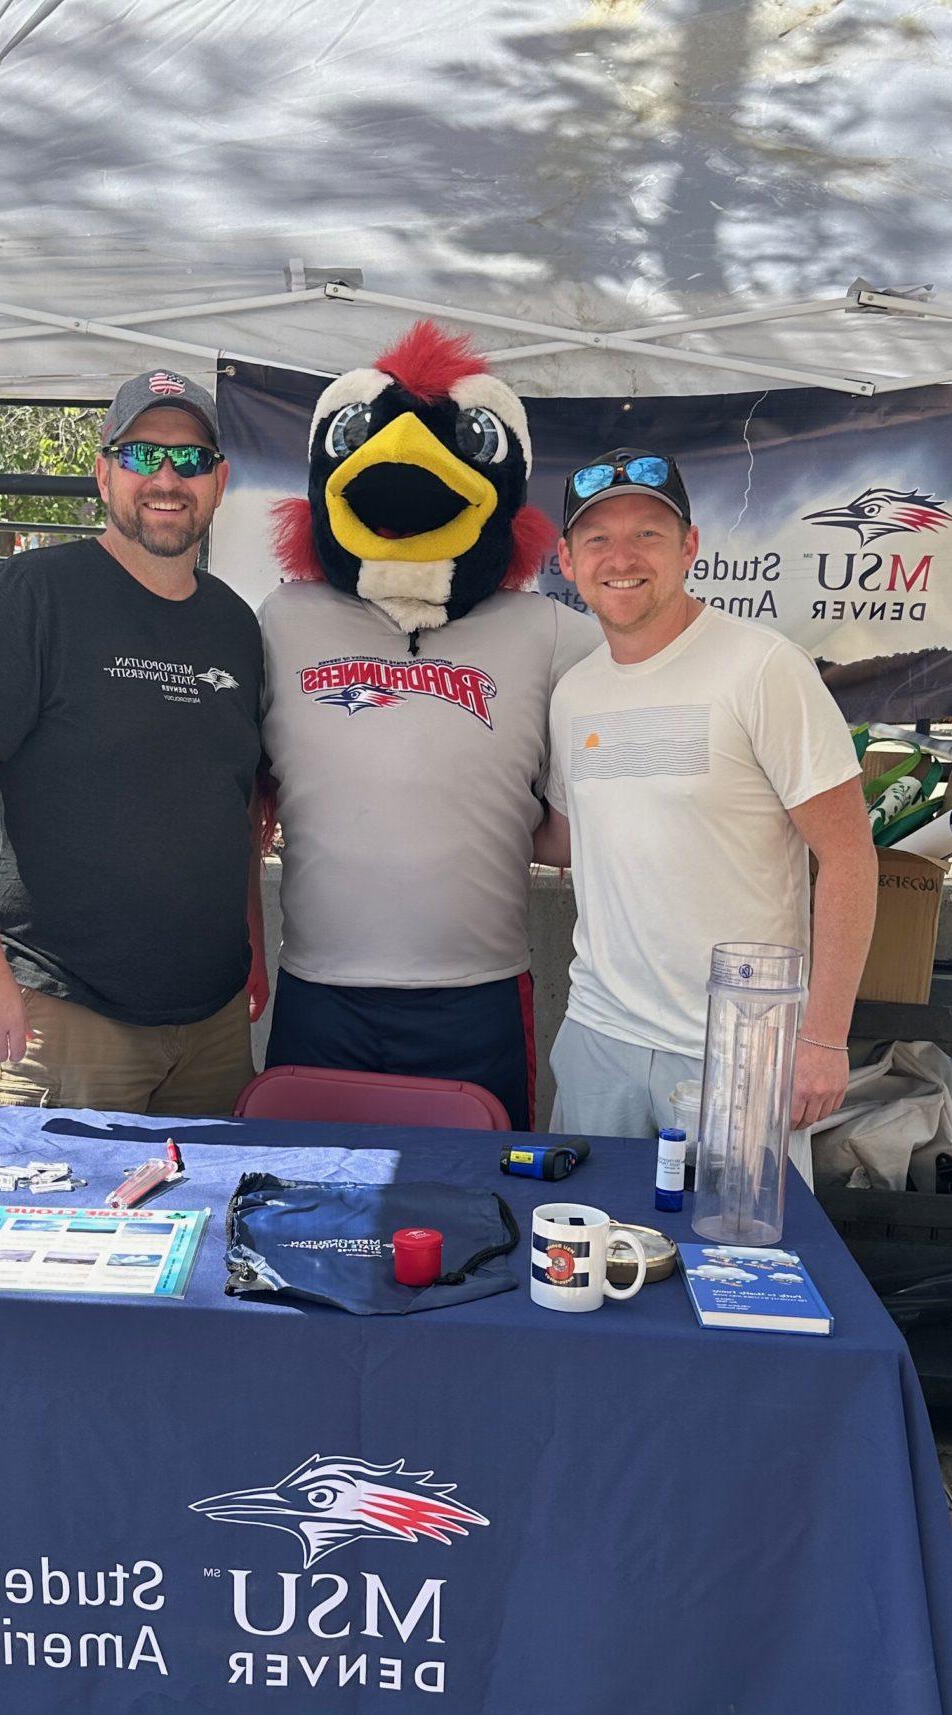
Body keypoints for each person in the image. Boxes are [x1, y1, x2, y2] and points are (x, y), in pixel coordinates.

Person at [256, 321, 598, 1127]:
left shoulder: (548, 629)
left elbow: (655, 695)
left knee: (481, 1209)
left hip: (475, 995)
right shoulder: (282, 617)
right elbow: (237, 797)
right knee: (304, 1205)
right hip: (319, 988)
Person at [0, 369, 267, 1116]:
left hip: (211, 1024)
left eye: (192, 461)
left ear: (220, 481)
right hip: (64, 1017)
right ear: (104, 471)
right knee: (56, 1231)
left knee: (210, 1226)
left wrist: (252, 946)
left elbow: (232, 805)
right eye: (143, 456)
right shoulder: (38, 593)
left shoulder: (237, 625)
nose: (167, 479)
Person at [533, 449, 876, 1135]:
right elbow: (570, 841)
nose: (621, 556)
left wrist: (823, 1039)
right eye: (596, 538)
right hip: (602, 1038)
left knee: (734, 1246)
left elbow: (849, 858)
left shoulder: (763, 668)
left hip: (739, 1049)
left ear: (690, 547)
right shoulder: (575, 693)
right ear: (567, 562)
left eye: (647, 535)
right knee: (593, 1242)